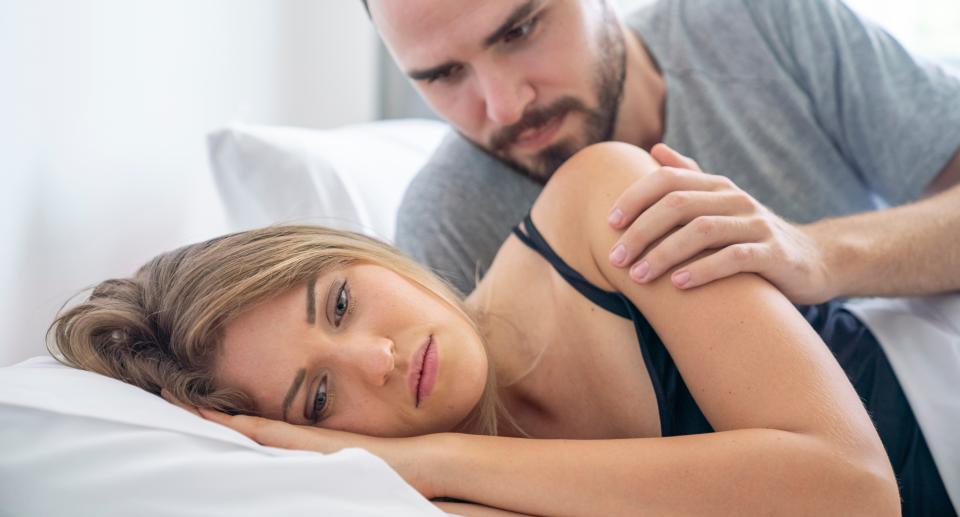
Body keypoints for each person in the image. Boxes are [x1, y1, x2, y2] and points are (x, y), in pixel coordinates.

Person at [50, 144, 956, 516]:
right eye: (319, 396)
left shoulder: (599, 204)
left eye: (337, 301)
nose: (379, 355)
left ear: (356, 250)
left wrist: (440, 457)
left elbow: (852, 489)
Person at [361, 0, 960, 302]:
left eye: (519, 32)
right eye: (443, 75)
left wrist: (819, 254)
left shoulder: (761, 20)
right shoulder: (449, 224)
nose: (505, 106)